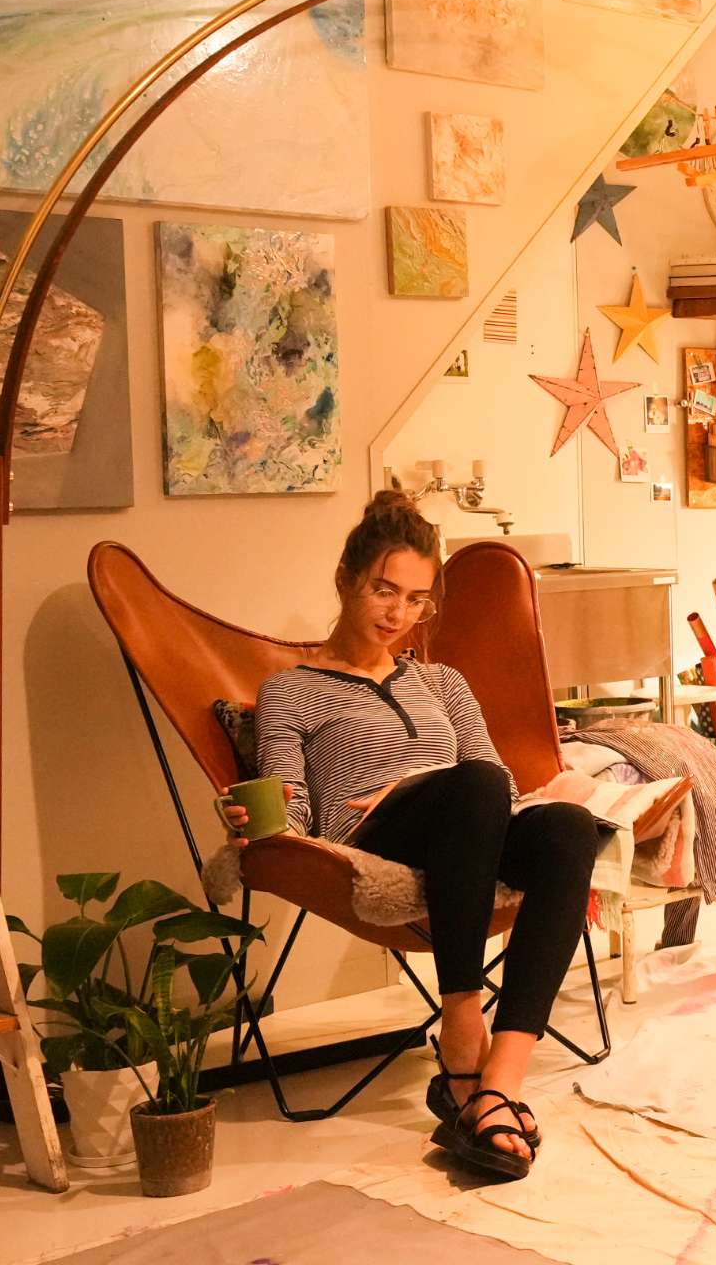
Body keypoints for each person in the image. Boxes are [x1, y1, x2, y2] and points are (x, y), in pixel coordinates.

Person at [219, 491, 600, 1181]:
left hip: (467, 824)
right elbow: (295, 817)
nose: (399, 615)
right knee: (472, 785)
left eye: (417, 600)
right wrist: (254, 823)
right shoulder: (291, 692)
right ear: (346, 579)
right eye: (384, 591)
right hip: (372, 835)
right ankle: (462, 1026)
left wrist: (429, 783)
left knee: (568, 829)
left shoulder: (443, 683)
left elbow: (497, 785)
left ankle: (497, 1083)